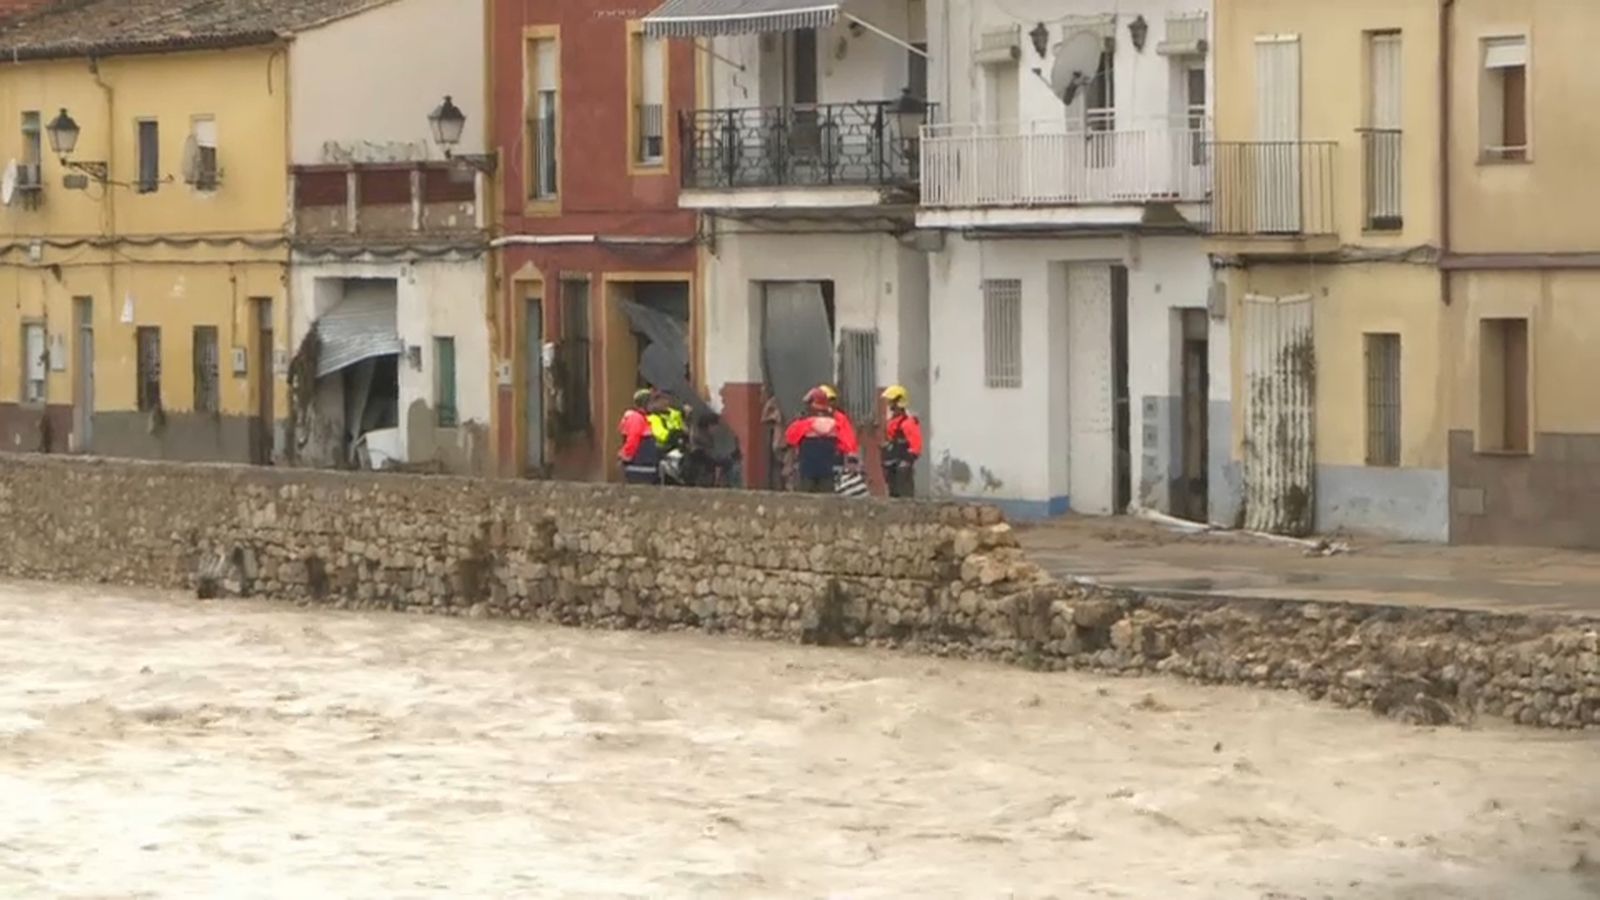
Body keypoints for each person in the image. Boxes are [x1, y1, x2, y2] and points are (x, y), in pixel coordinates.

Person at [785, 388, 847, 494]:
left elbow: (790, 438)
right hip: (827, 470)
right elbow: (845, 443)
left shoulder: (804, 424)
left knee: (805, 501)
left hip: (807, 471)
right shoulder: (836, 423)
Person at [880, 384, 923, 498]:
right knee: (893, 494)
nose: (890, 405)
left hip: (902, 465)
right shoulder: (892, 421)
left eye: (892, 401)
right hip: (891, 464)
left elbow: (916, 445)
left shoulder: (908, 422)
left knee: (905, 495)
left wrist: (907, 460)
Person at [617, 388, 661, 484]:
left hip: (642, 466)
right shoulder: (636, 418)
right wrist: (626, 457)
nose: (654, 406)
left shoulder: (641, 418)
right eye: (652, 403)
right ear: (645, 403)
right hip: (639, 467)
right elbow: (633, 439)